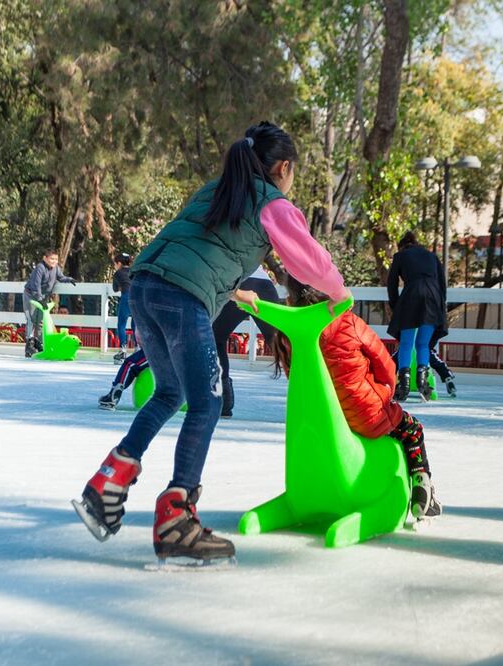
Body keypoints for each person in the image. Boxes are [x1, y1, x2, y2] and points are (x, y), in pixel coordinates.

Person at [73, 121, 349, 564]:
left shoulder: (216, 189)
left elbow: (203, 244)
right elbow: (308, 260)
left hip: (145, 285)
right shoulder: (272, 203)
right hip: (181, 295)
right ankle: (176, 519)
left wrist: (228, 289)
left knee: (170, 392)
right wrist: (339, 291)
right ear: (283, 168)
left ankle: (110, 479)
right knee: (207, 400)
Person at [271, 275, 441, 522]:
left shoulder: (288, 333)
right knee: (412, 429)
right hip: (365, 415)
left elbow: (297, 378)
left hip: (323, 422)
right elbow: (385, 365)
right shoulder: (348, 322)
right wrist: (384, 393)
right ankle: (420, 484)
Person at [211, 265, 281, 417]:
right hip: (264, 284)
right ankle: (314, 394)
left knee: (216, 339)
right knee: (282, 346)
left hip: (237, 285)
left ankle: (223, 400)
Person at [387, 231, 448, 402]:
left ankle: (404, 386)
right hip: (433, 298)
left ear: (402, 245)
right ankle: (423, 384)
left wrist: (395, 305)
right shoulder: (432, 256)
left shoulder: (400, 256)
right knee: (423, 344)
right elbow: (442, 285)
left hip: (411, 296)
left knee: (406, 343)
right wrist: (441, 307)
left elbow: (391, 283)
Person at [22, 249, 77, 358]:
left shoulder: (56, 268)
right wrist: (40, 298)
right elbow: (36, 285)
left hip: (43, 297)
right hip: (31, 295)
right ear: (45, 258)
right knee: (31, 319)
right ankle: (30, 344)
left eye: (56, 259)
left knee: (40, 320)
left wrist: (69, 279)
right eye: (52, 259)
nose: (54, 261)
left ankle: (38, 342)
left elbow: (60, 277)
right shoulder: (40, 268)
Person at [389, 328, 457, 397]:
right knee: (433, 359)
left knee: (395, 360)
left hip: (410, 348)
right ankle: (447, 377)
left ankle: (447, 378)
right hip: (419, 349)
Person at [112, 252, 134, 363]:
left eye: (115, 264)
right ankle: (138, 348)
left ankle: (123, 350)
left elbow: (115, 289)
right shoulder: (134, 271)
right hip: (136, 298)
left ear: (119, 263)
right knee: (136, 323)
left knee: (121, 324)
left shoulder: (118, 273)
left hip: (126, 297)